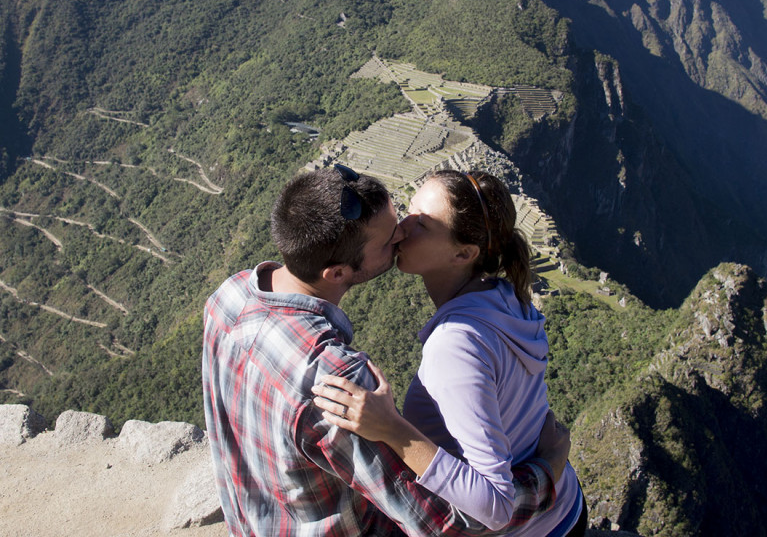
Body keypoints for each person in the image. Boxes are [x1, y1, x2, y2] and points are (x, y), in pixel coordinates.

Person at [202, 164, 572, 537]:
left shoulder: (226, 299)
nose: (401, 234)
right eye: (387, 241)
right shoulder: (337, 385)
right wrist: (549, 470)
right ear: (337, 273)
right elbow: (444, 526)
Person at [313, 169, 587, 536]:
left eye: (423, 225)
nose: (402, 227)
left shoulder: (456, 344)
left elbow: (497, 505)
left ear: (464, 253)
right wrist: (552, 464)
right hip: (567, 509)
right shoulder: (504, 296)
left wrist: (393, 429)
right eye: (410, 209)